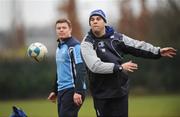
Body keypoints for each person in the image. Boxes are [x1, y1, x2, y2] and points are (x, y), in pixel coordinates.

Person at [81, 9, 176, 117]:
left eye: (98, 19)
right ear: (90, 24)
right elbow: (95, 66)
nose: (95, 21)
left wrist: (157, 51)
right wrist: (119, 68)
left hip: (119, 91)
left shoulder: (117, 38)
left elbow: (137, 45)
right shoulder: (87, 43)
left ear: (105, 22)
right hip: (101, 94)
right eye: (92, 20)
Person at [48, 18, 87, 117]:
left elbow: (81, 69)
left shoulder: (74, 46)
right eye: (58, 28)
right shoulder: (60, 47)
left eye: (64, 27)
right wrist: (55, 90)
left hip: (73, 89)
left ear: (70, 29)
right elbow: (60, 71)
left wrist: (78, 91)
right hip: (62, 91)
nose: (61, 30)